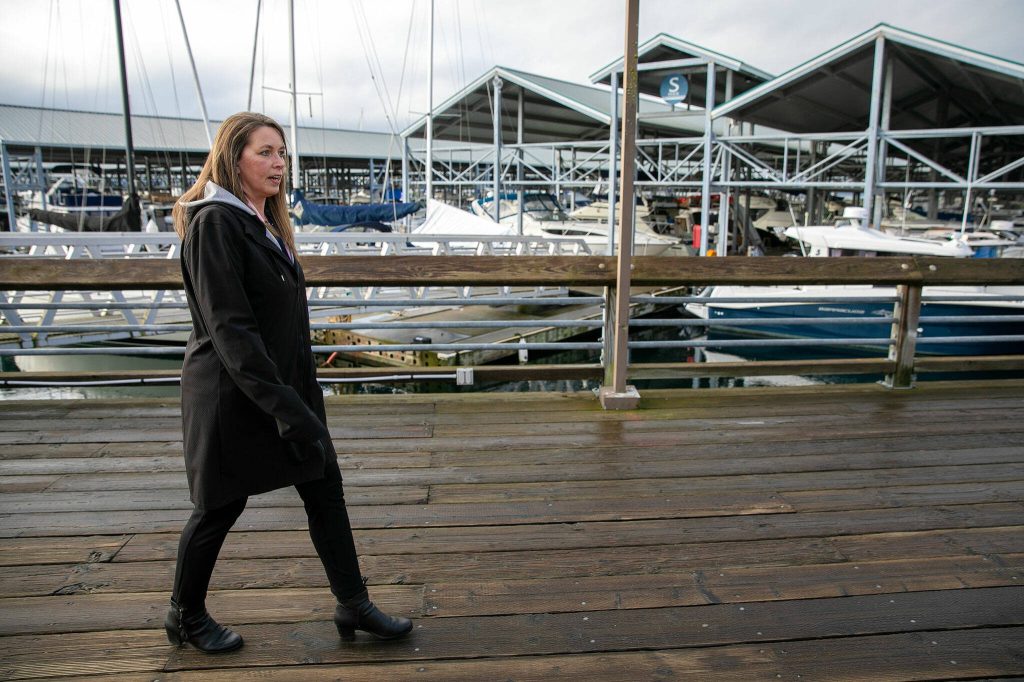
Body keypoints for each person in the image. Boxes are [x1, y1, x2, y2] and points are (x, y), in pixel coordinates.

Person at [166, 112, 412, 653]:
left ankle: (353, 602)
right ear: (234, 159)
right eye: (266, 152)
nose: (279, 163)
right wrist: (283, 405)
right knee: (219, 507)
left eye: (282, 152)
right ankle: (185, 615)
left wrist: (298, 387)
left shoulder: (262, 221)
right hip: (234, 396)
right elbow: (230, 329)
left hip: (285, 388)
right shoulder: (215, 224)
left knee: (325, 488)